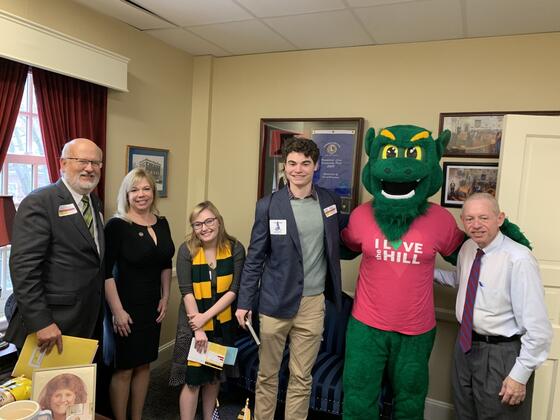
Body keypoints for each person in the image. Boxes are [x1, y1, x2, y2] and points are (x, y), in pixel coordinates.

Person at [235, 137, 345, 420]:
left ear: (316, 166)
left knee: (301, 377)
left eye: (305, 164)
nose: (298, 170)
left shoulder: (329, 202)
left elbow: (340, 243)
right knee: (267, 375)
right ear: (284, 166)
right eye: (292, 163)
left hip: (312, 303)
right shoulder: (268, 206)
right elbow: (255, 258)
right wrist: (244, 301)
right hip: (275, 303)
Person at [434, 193, 552, 419]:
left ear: (500, 219)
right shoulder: (468, 248)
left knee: (500, 415)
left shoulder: (519, 259)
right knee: (464, 413)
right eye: (469, 219)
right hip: (465, 346)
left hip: (501, 353)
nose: (476, 225)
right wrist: (420, 272)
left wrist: (519, 375)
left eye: (483, 218)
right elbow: (462, 281)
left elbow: (538, 329)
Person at [5, 138, 105, 353]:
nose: (90, 168)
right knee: (44, 387)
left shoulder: (94, 203)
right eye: (82, 161)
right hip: (52, 324)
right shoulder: (40, 202)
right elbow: (24, 268)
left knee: (74, 386)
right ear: (63, 163)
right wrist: (41, 321)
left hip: (87, 318)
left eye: (96, 163)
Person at [104, 168, 174, 420]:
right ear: (126, 194)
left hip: (151, 306)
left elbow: (166, 263)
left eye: (146, 189)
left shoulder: (162, 222)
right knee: (124, 368)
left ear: (153, 192)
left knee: (144, 364)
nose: (141, 194)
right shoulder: (117, 225)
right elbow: (105, 273)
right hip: (124, 306)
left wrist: (165, 297)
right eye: (135, 190)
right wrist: (117, 311)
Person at [169, 201, 245, 420]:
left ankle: (210, 417)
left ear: (218, 221)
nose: (204, 228)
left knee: (213, 376)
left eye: (209, 221)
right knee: (193, 378)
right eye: (197, 224)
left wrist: (206, 318)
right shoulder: (187, 249)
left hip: (222, 320)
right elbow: (186, 292)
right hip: (193, 321)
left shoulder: (235, 248)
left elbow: (234, 290)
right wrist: (199, 327)